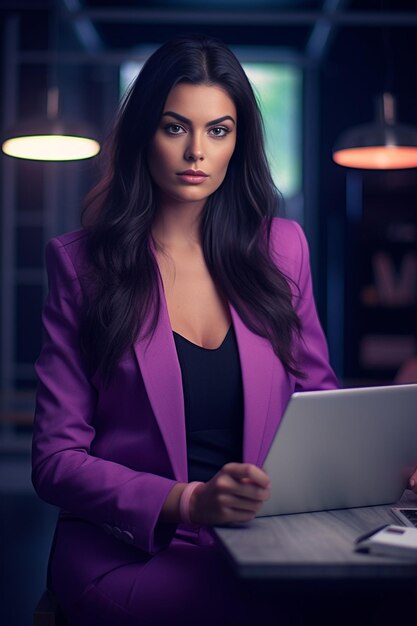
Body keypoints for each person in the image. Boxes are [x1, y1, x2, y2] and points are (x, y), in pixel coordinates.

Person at [32, 34, 414, 626]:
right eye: (174, 127)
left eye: (218, 130)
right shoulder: (81, 265)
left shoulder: (282, 250)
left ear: (239, 142)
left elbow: (321, 402)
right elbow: (55, 460)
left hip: (263, 538)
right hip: (133, 550)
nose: (196, 152)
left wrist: (389, 460)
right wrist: (189, 501)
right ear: (144, 135)